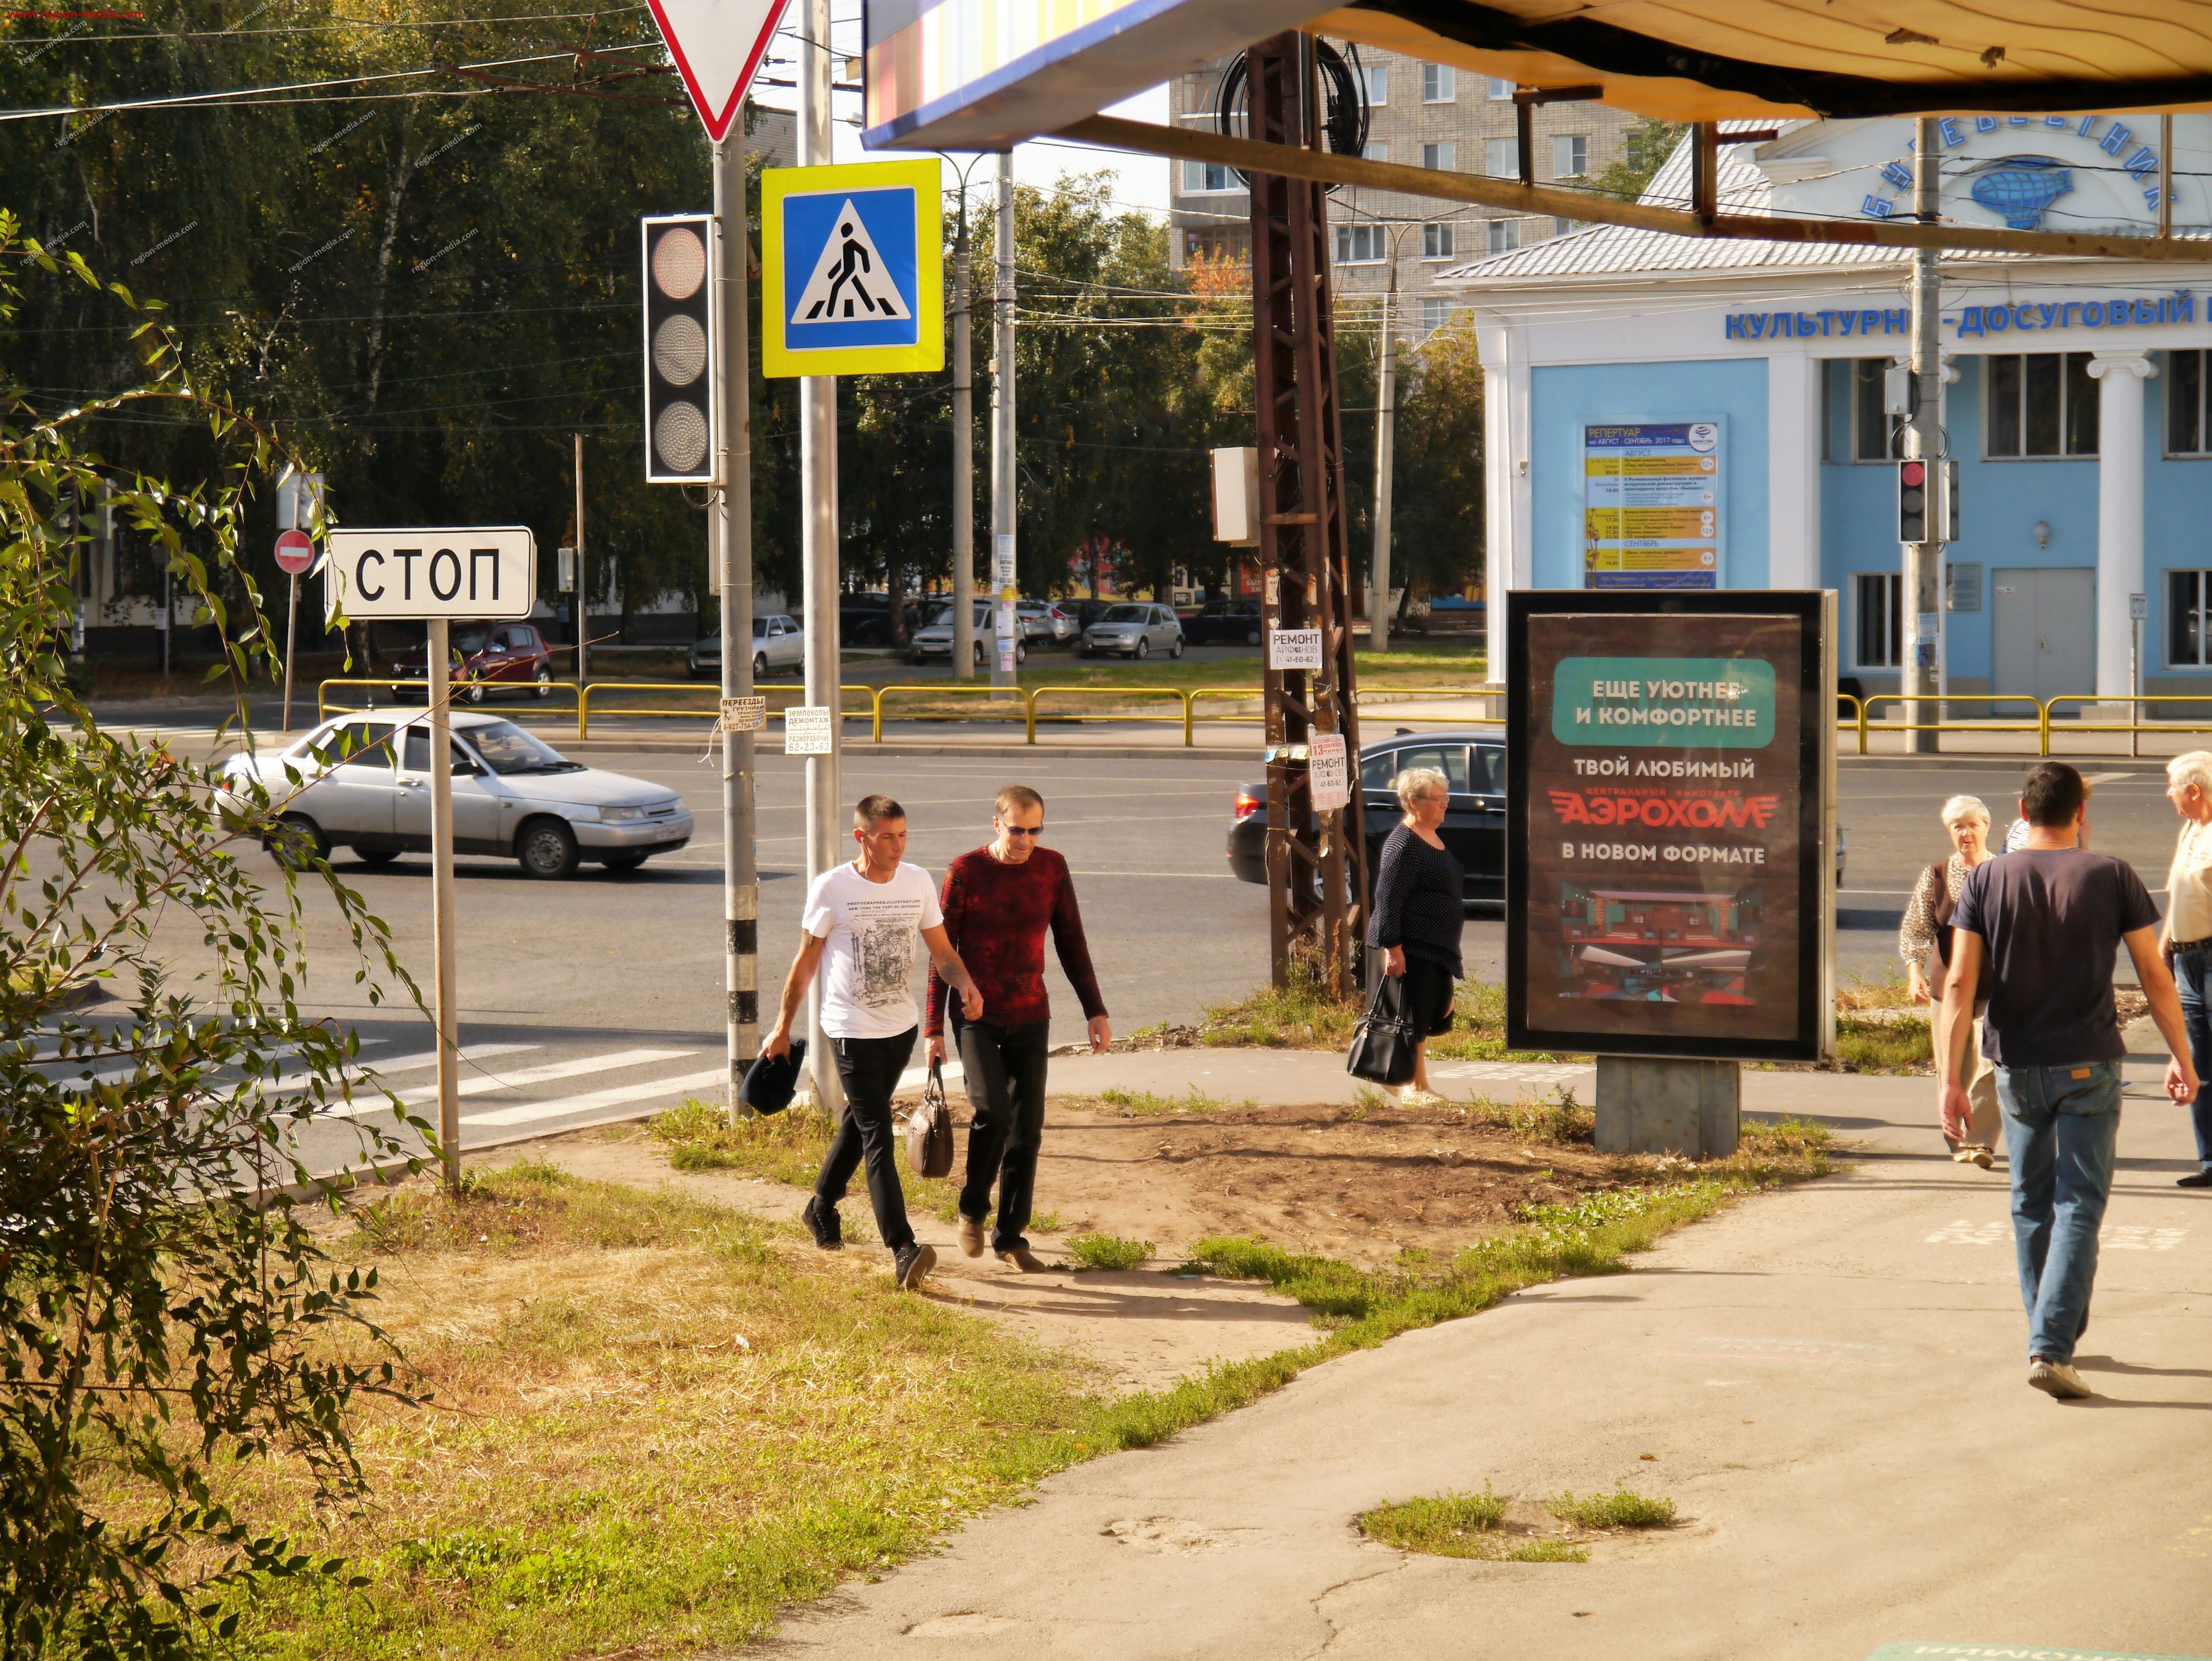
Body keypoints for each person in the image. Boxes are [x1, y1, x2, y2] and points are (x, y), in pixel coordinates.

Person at [1941, 761, 2198, 1401]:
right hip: (2088, 1061)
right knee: (2078, 1201)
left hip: (2016, 1064)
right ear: (2079, 814)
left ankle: (2048, 1326)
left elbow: (1956, 983)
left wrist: (1949, 1080)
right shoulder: (2109, 874)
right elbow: (2152, 972)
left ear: (2021, 814)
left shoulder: (1986, 878)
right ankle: (2052, 1342)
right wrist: (2182, 1056)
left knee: (2029, 1201)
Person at [763, 793, 983, 1290]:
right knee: (877, 1131)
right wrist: (782, 1026)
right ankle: (902, 1247)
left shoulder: (917, 881)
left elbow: (943, 953)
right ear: (861, 837)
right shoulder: (832, 888)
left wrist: (964, 982)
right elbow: (806, 962)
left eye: (903, 835)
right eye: (887, 836)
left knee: (860, 1121)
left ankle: (820, 1207)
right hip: (850, 1029)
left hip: (899, 1028)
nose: (898, 846)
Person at [925, 784, 1111, 1272]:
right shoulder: (965, 872)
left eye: (1034, 830)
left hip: (1032, 1013)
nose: (1026, 840)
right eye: (1017, 830)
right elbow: (942, 955)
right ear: (997, 825)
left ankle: (1011, 1237)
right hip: (975, 1016)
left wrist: (1096, 1010)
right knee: (993, 1112)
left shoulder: (1052, 868)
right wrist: (933, 1028)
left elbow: (1072, 940)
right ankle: (972, 1209)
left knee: (1027, 1131)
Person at [1901, 794, 2001, 1167]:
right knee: (1952, 1066)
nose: (1966, 833)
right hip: (1948, 988)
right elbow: (1916, 930)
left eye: (1973, 824)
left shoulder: (2004, 871)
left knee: (1991, 1062)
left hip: (1995, 986)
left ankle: (1981, 1142)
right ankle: (1957, 1139)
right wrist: (1914, 973)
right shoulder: (1937, 875)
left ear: (1987, 828)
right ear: (1949, 831)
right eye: (1957, 826)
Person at [1364, 766, 1465, 1106]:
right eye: (1437, 800)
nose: (1444, 805)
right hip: (1411, 945)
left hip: (1436, 947)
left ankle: (1401, 1078)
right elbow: (1388, 898)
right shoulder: (1404, 842)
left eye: (1444, 798)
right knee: (1413, 1017)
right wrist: (1393, 948)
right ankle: (1414, 1086)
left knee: (1434, 1011)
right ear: (1413, 802)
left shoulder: (1429, 834)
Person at [2158, 750, 2212, 1189]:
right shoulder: (2189, 829)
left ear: (2193, 791)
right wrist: (2165, 946)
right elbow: (2177, 895)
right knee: (2198, 1063)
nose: (2168, 793)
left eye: (2172, 786)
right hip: (2186, 960)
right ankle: (2211, 1162)